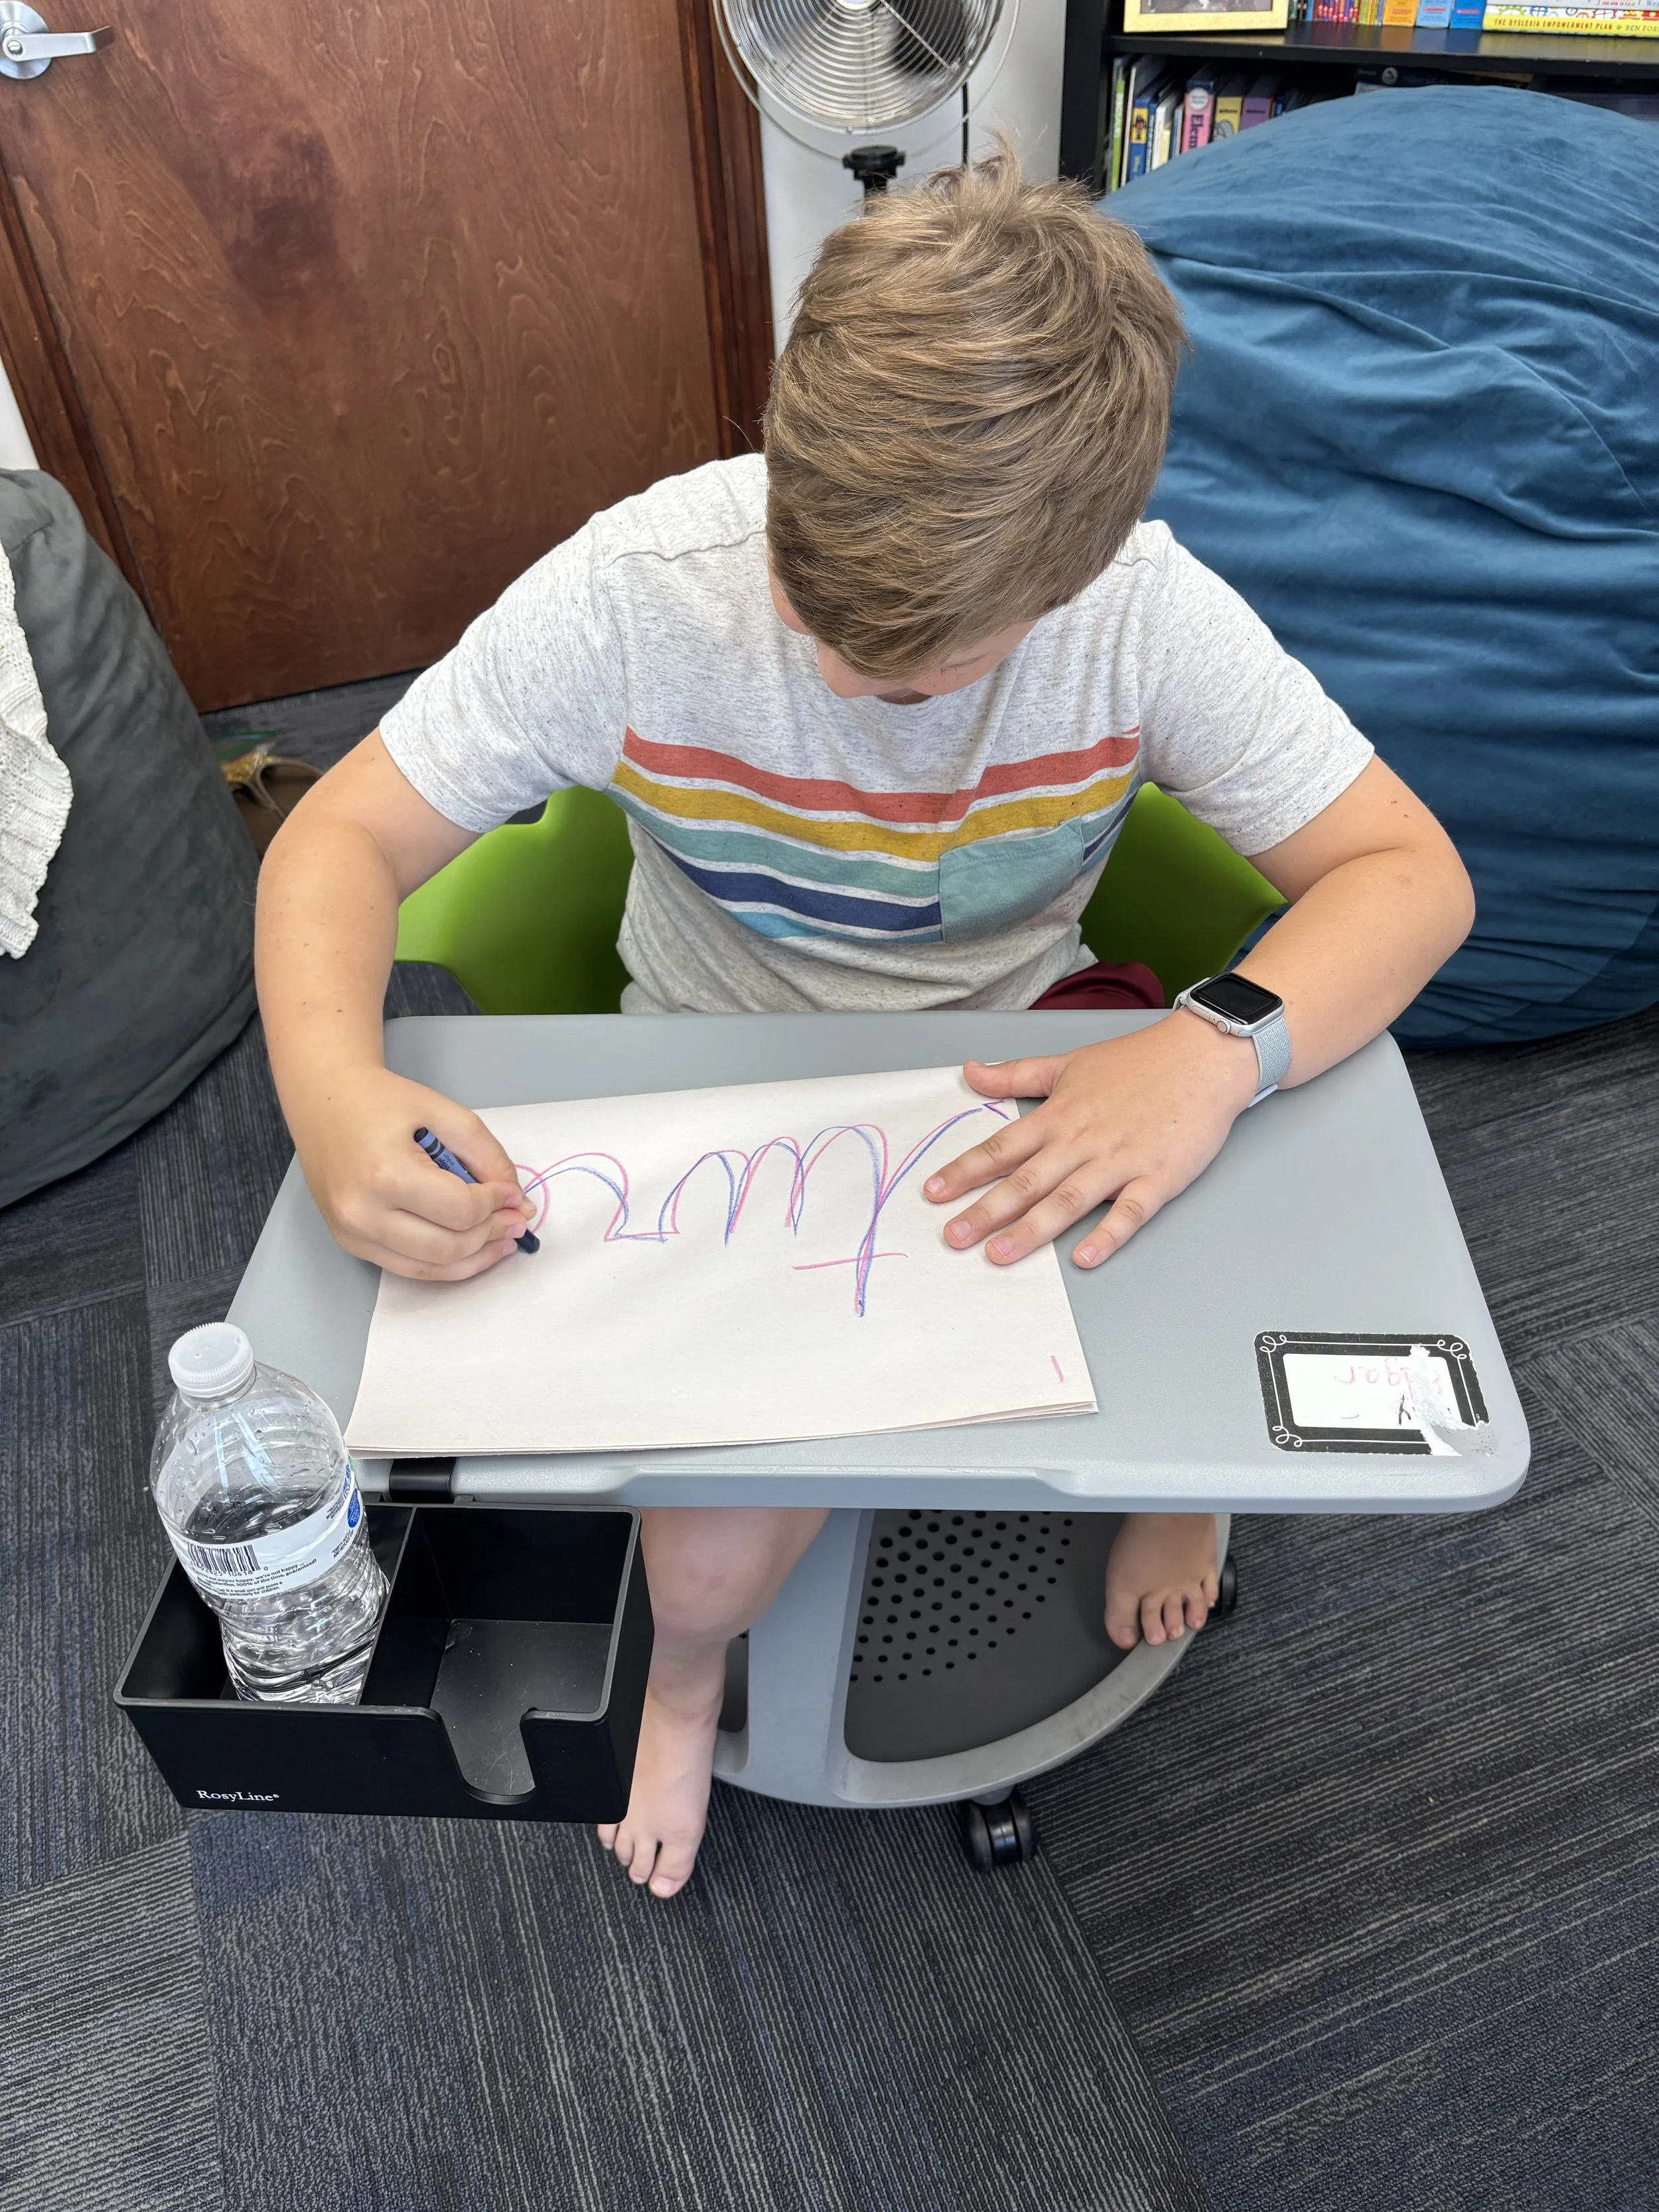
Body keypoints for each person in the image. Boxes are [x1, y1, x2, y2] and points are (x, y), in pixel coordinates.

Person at [255, 152, 1473, 1900]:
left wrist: (1209, 1053)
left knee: (1204, 1307)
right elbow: (339, 836)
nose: (838, 684)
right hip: (717, 1062)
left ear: (1063, 583)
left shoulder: (1141, 606)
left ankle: (1175, 1479)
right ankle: (678, 1693)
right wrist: (331, 1087)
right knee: (700, 1569)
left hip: (1017, 1058)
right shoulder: (637, 586)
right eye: (809, 618)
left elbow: (1407, 876)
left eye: (904, 678)